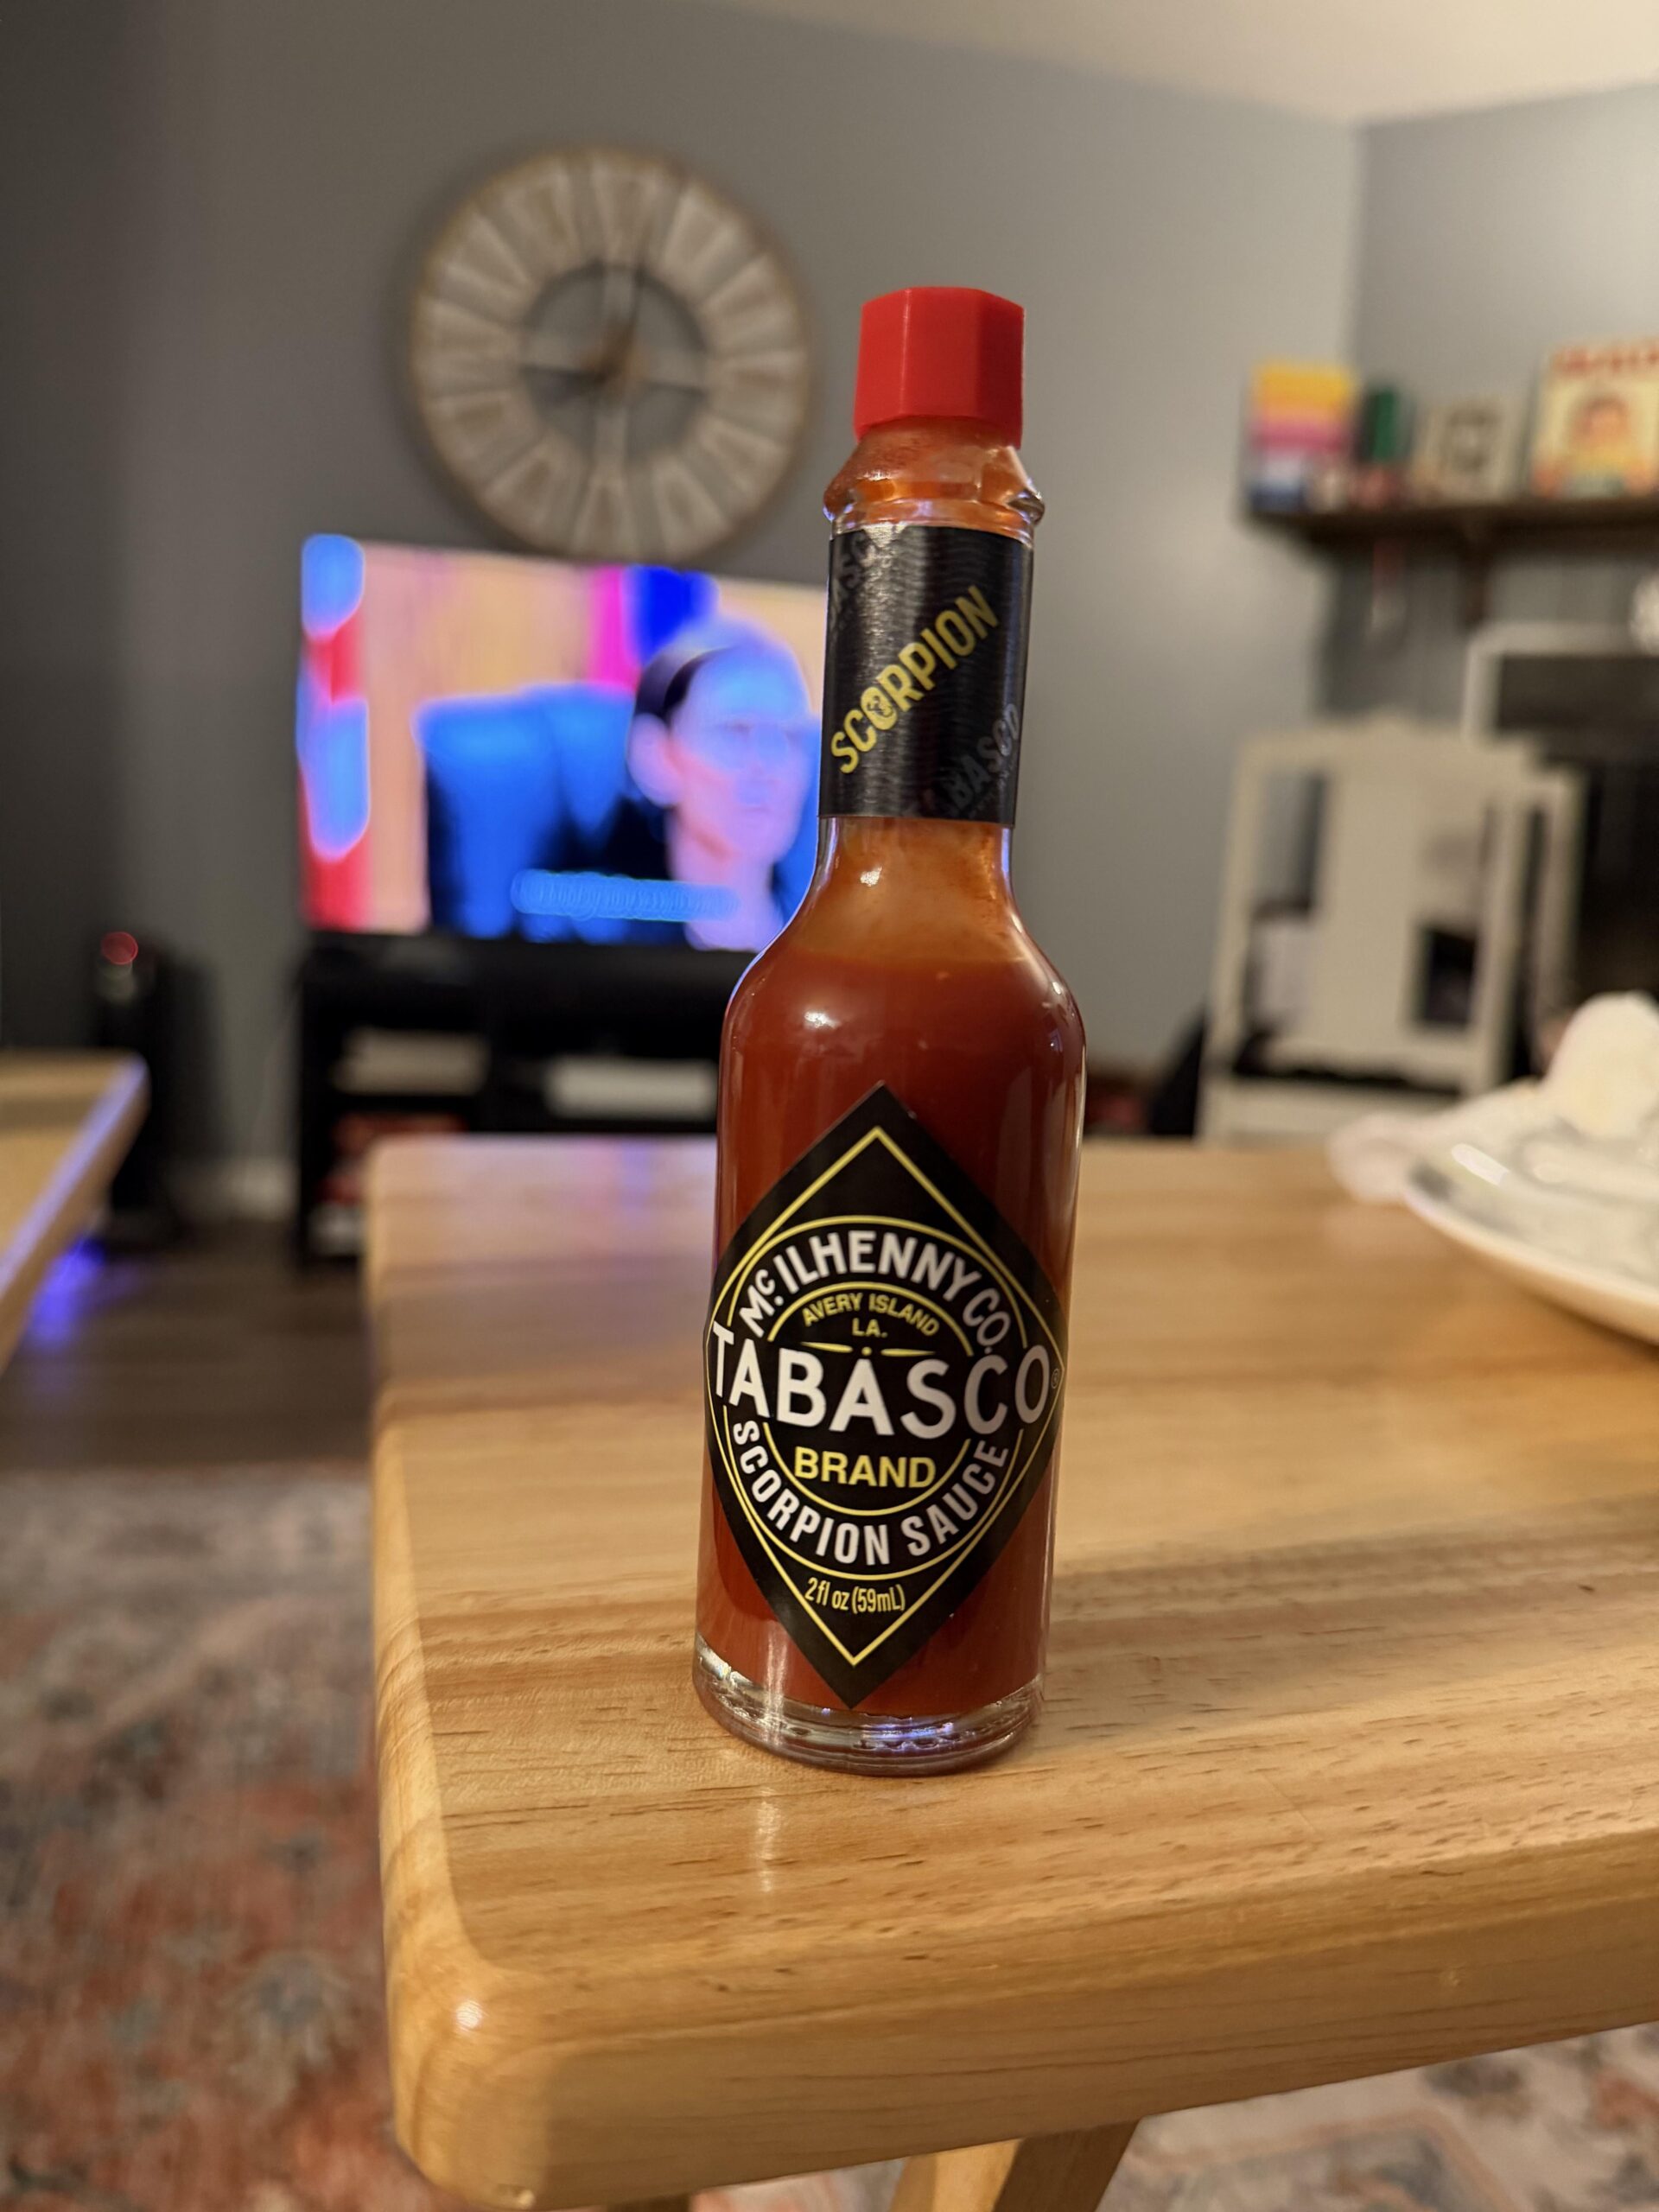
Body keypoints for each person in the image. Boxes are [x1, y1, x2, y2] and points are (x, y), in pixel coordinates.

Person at [598, 624, 817, 950]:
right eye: (736, 731)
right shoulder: (596, 934)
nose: (772, 764)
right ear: (656, 756)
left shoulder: (828, 941)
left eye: (792, 735)